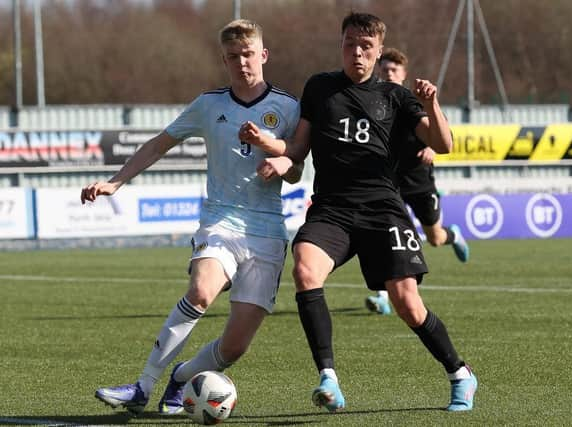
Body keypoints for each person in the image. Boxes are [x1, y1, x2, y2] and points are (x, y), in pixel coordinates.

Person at [239, 11, 477, 413]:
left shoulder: (397, 97)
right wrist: (271, 147)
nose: (357, 53)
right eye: (350, 44)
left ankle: (460, 374)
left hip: (383, 210)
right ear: (342, 46)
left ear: (379, 50)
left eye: (366, 46)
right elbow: (297, 149)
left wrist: (431, 104)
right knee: (304, 271)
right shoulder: (320, 88)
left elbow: (445, 143)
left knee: (407, 303)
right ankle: (328, 378)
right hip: (332, 208)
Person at [81, 19, 301, 415]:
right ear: (224, 59)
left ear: (263, 55)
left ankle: (180, 378)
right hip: (220, 219)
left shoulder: (288, 107)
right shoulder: (209, 104)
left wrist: (284, 164)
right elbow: (158, 144)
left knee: (234, 348)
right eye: (233, 57)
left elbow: (298, 165)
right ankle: (143, 385)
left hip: (267, 230)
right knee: (201, 291)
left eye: (249, 54)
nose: (242, 63)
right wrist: (116, 182)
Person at [365, 48, 470, 316]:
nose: (388, 73)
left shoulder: (414, 102)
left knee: (434, 238)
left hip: (420, 181)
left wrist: (433, 148)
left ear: (403, 74)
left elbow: (442, 133)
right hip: (390, 184)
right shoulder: (373, 103)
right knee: (389, 238)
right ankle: (383, 297)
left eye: (393, 70)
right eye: (384, 69)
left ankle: (453, 234)